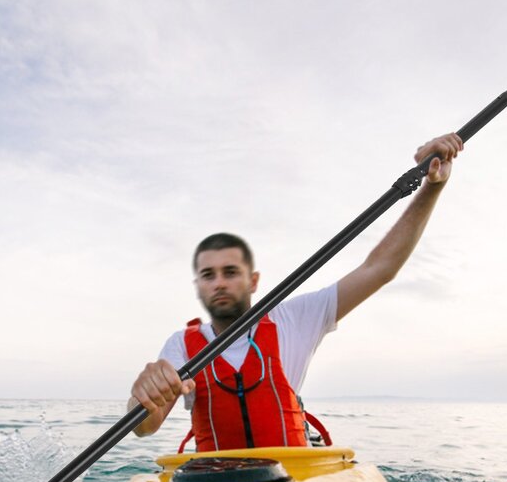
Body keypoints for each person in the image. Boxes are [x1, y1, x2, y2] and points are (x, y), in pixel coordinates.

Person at [129, 133, 463, 450]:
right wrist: (141, 397)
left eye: (231, 272)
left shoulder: (295, 319)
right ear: (198, 286)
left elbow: (379, 269)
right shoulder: (181, 347)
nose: (219, 282)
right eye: (208, 275)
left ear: (254, 281)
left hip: (290, 481)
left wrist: (431, 188)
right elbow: (146, 426)